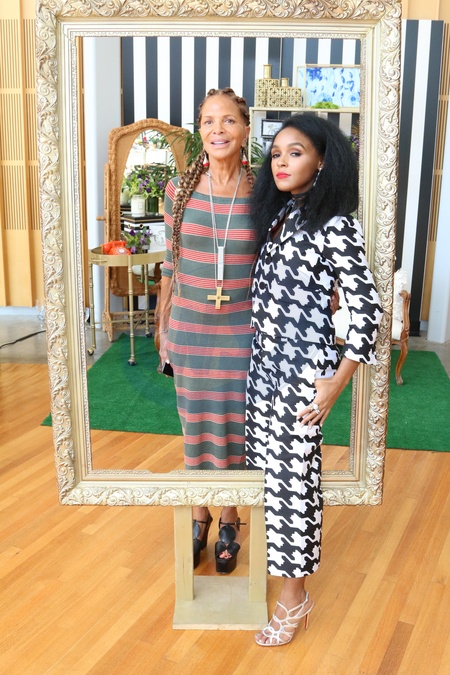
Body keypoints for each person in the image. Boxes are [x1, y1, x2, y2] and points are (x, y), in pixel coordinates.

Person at [246, 113, 383, 646]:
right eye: (276, 153)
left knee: (292, 488)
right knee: (274, 483)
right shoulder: (281, 216)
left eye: (296, 152)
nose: (281, 161)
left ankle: (293, 597)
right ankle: (288, 587)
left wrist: (337, 381)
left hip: (303, 376)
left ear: (323, 161)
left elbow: (367, 309)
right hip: (264, 372)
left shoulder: (335, 224)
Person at [158, 88, 258, 573]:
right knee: (194, 428)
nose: (217, 129)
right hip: (190, 332)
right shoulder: (178, 191)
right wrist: (162, 329)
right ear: (200, 131)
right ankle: (200, 514)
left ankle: (230, 518)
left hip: (242, 333)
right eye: (207, 121)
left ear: (245, 129)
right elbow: (170, 265)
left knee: (235, 431)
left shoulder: (263, 192)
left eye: (228, 120)